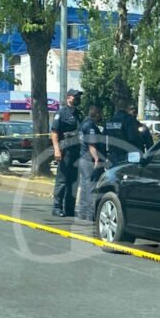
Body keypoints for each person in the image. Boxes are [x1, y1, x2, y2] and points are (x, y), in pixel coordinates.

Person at [51, 89, 83, 217]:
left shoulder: (79, 114)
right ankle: (57, 207)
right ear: (68, 97)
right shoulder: (61, 113)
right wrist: (56, 150)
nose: (78, 99)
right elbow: (54, 133)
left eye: (79, 97)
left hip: (77, 150)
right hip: (65, 150)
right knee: (62, 180)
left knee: (73, 181)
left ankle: (69, 208)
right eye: (76, 96)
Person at [76, 105, 104, 222]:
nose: (101, 116)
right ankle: (90, 214)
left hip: (83, 159)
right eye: (101, 114)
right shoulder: (91, 126)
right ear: (97, 114)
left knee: (84, 186)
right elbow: (92, 145)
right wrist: (96, 158)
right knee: (92, 186)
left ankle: (82, 212)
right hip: (90, 160)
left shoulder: (84, 123)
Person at [105, 98, 143, 166]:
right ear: (127, 107)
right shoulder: (129, 120)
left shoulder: (110, 121)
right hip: (126, 156)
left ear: (117, 107)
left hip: (111, 156)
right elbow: (133, 138)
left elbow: (104, 139)